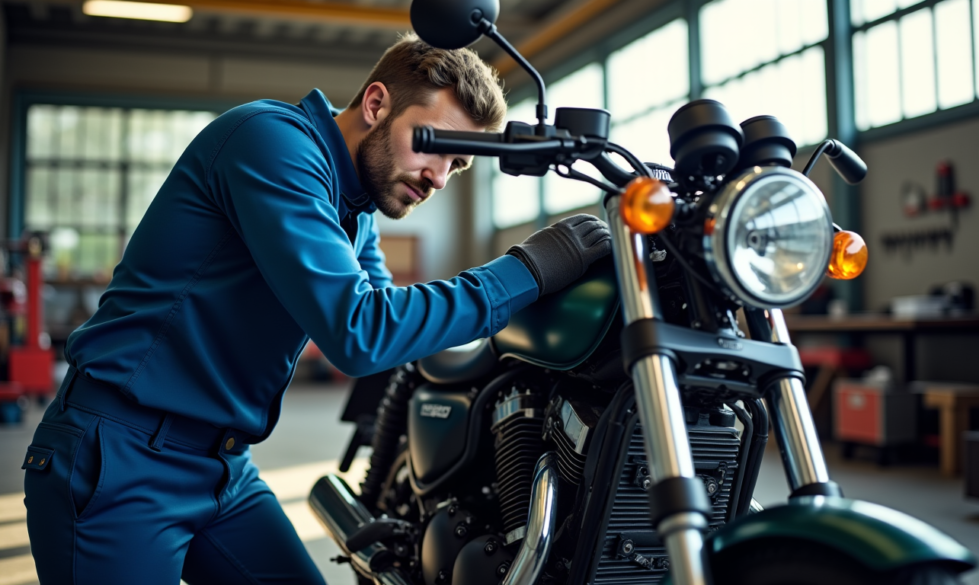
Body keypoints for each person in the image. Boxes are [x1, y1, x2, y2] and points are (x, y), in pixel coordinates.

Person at [22, 35, 611, 584]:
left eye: (458, 166)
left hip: (223, 466)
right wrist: (528, 270)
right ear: (377, 104)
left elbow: (386, 328)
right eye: (436, 146)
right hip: (120, 456)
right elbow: (360, 332)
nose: (438, 177)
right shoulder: (271, 143)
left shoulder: (357, 210)